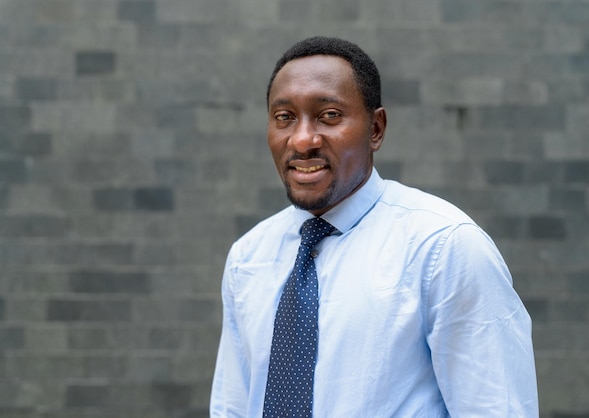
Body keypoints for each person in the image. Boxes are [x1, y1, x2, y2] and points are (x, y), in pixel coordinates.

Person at [210, 36, 539, 417]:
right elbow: (232, 407)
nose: (302, 140)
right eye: (284, 118)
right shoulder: (247, 258)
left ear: (376, 129)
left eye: (329, 115)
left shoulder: (444, 248)